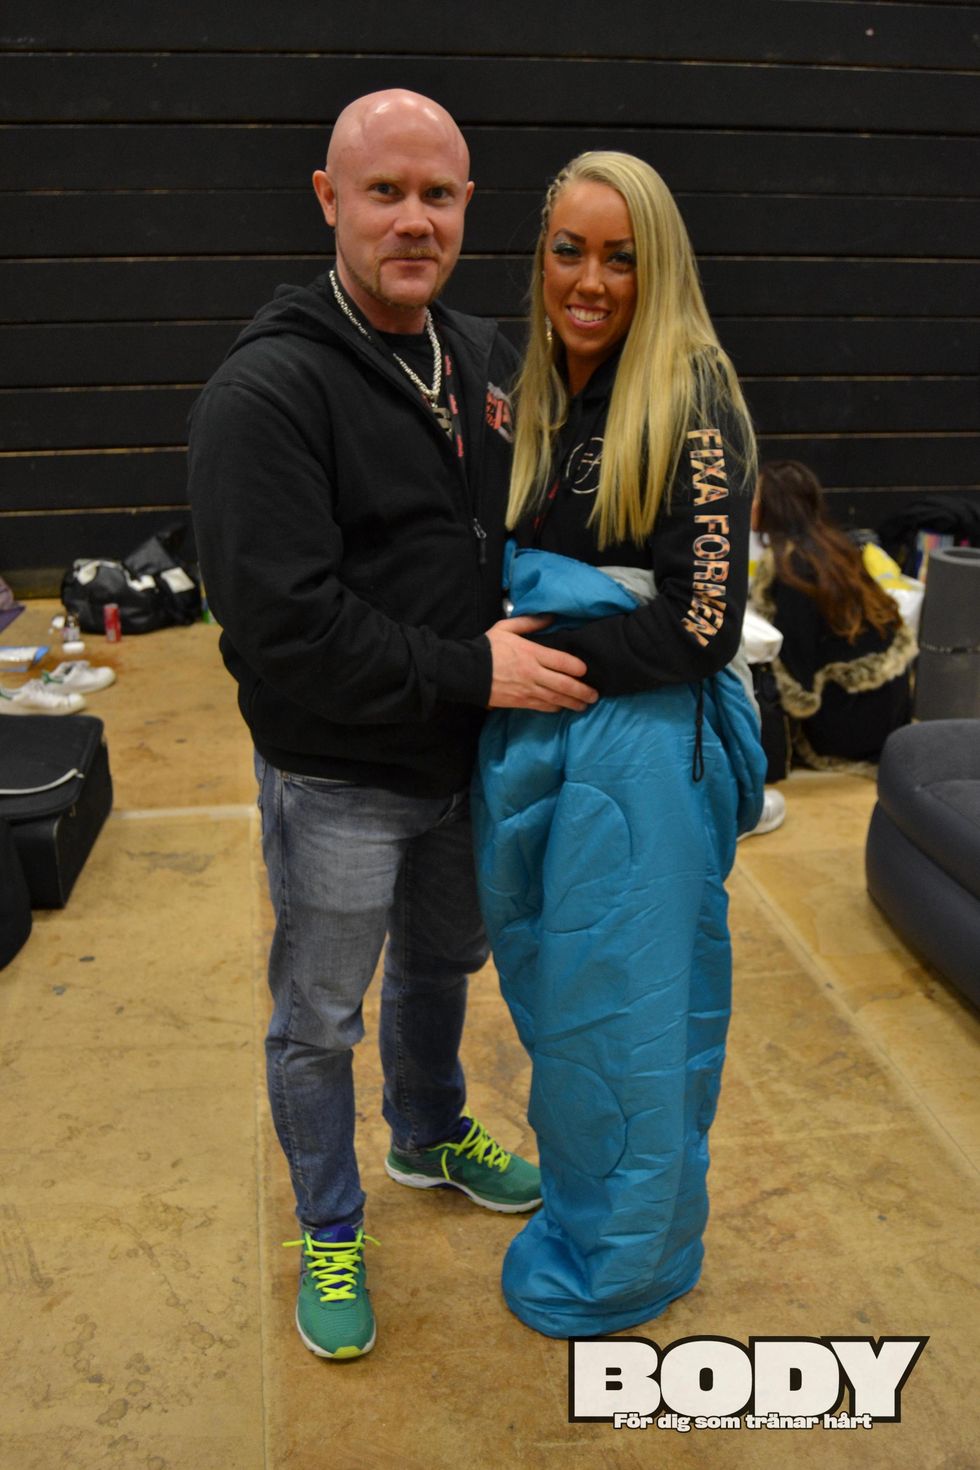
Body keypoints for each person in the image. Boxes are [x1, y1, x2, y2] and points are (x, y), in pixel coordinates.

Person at [187, 89, 599, 1362]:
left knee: (439, 969)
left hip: (463, 759)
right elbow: (283, 628)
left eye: (437, 195)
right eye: (384, 193)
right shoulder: (267, 390)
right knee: (319, 1018)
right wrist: (472, 671)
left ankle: (426, 1133)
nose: (413, 220)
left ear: (468, 207)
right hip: (340, 777)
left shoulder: (478, 354)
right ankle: (330, 1221)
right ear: (329, 200)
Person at [470, 151, 767, 1338]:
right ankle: (592, 1216)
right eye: (569, 251)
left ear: (660, 269)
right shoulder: (530, 390)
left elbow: (698, 626)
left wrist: (540, 645)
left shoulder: (693, 400)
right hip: (544, 739)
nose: (589, 282)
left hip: (640, 757)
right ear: (539, 257)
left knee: (633, 1027)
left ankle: (629, 1260)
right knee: (563, 1010)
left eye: (620, 259)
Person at [750, 460, 916, 768]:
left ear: (774, 506)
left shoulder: (791, 567)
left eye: (756, 496)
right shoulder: (832, 544)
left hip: (851, 723)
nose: (751, 504)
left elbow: (794, 663)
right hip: (888, 708)